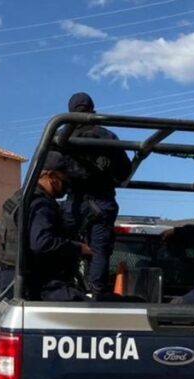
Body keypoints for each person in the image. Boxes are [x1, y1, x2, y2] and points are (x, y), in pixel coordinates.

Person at [59, 92, 132, 296]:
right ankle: (95, 294)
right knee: (100, 252)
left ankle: (64, 287)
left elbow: (52, 167)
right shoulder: (107, 136)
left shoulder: (61, 136)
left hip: (74, 203)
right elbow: (125, 171)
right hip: (102, 200)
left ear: (71, 112)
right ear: (93, 110)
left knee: (65, 246)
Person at [0, 151, 92, 301]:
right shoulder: (41, 204)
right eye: (64, 180)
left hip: (12, 280)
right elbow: (42, 242)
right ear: (51, 177)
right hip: (36, 285)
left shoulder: (22, 197)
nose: (67, 187)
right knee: (91, 310)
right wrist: (79, 248)